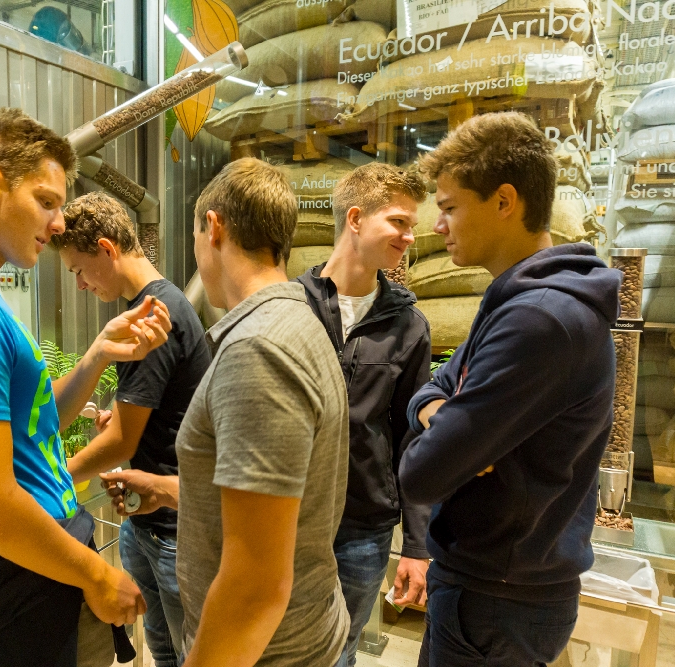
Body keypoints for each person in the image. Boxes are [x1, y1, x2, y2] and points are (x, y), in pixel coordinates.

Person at [0, 108, 170, 666]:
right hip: (16, 586)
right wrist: (97, 575)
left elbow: (31, 425)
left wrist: (98, 353)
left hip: (28, 570)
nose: (60, 223)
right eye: (46, 201)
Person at [102, 157, 352, 667]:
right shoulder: (295, 320)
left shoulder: (257, 349)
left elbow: (254, 587)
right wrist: (169, 490)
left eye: (195, 237)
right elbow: (278, 503)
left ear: (213, 228)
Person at [401, 111, 621, 666]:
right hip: (498, 587)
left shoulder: (539, 320)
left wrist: (445, 435)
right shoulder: (517, 300)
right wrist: (443, 420)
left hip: (497, 601)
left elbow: (421, 473)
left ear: (504, 201)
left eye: (450, 208)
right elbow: (431, 390)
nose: (437, 226)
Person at [51, 191, 212, 667]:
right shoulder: (156, 304)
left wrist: (57, 477)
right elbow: (143, 421)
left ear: (106, 249)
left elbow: (122, 440)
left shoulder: (153, 315)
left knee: (188, 655)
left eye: (79, 270)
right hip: (147, 522)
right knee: (162, 651)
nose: (80, 285)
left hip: (173, 530)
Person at [294, 162, 432, 667]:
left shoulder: (409, 325)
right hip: (288, 518)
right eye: (398, 221)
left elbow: (413, 439)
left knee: (340, 652)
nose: (409, 236)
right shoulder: (291, 305)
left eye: (412, 224)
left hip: (364, 528)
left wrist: (416, 544)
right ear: (355, 218)